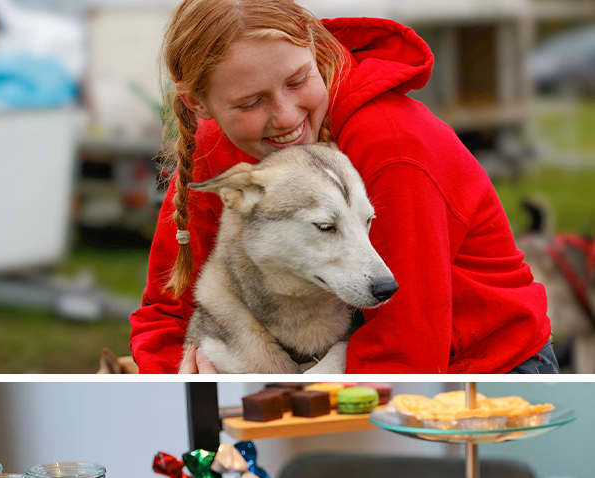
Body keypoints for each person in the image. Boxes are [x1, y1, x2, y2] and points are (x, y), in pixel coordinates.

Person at [128, 0, 556, 374]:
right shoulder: (216, 146)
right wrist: (180, 380)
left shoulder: (392, 144)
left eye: (297, 81)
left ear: (315, 48)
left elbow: (406, 347)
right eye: (250, 102)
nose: (285, 116)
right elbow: (167, 313)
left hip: (485, 371)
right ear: (198, 104)